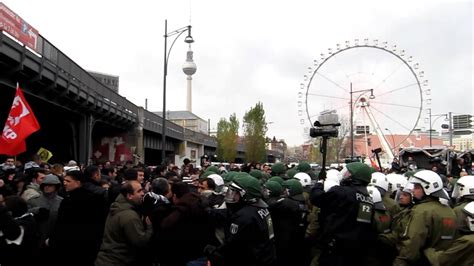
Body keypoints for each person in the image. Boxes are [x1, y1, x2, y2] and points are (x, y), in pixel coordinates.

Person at [310, 162, 374, 266]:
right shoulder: (368, 200)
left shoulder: (342, 192)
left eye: (347, 172)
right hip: (355, 252)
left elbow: (316, 198)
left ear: (352, 176)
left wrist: (320, 182)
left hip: (335, 250)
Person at [206, 173, 276, 266]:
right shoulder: (260, 207)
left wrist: (213, 251)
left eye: (234, 192)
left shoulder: (244, 217)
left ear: (245, 195)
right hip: (265, 256)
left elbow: (232, 247)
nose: (231, 195)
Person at [393, 170, 456, 265]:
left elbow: (413, 242)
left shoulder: (420, 211)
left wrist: (400, 262)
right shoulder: (450, 210)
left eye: (417, 187)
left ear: (428, 188)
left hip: (424, 261)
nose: (413, 190)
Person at [49, 170, 107, 266]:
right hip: (89, 246)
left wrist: (53, 241)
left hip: (70, 246)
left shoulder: (69, 201)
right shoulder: (95, 198)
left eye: (68, 181)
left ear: (78, 183)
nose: (64, 183)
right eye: (64, 180)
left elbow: (62, 225)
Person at [95, 180, 153, 266]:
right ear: (129, 196)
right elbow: (141, 242)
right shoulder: (129, 215)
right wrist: (149, 228)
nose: (142, 194)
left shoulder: (117, 206)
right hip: (117, 261)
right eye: (139, 191)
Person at [424, 201, 474, 266]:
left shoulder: (468, 241)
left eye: (466, 218)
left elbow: (441, 261)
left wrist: (428, 250)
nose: (465, 220)